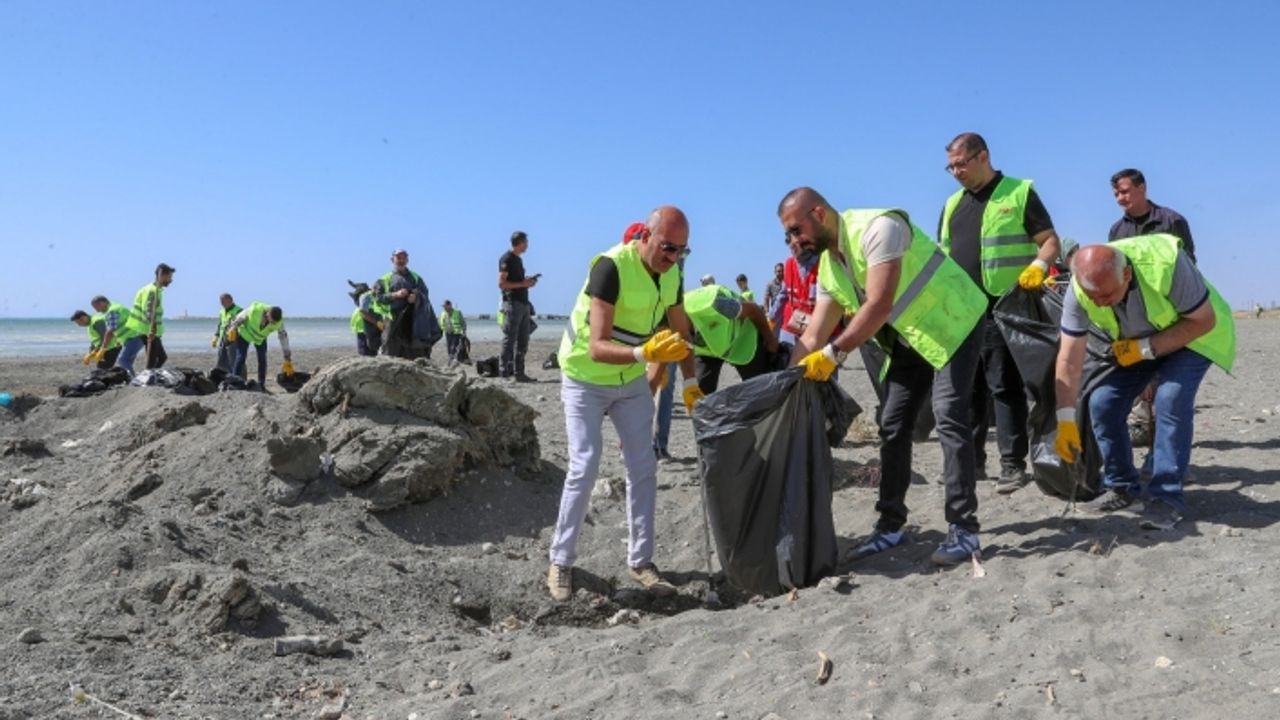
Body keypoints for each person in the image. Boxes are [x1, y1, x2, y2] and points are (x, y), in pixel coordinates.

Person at [780, 188, 988, 566]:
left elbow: (879, 303)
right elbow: (812, 335)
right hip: (913, 339)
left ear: (819, 213)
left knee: (949, 416)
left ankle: (964, 529)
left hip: (954, 321)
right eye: (788, 235)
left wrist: (834, 352)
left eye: (797, 229)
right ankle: (890, 525)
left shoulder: (879, 228)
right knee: (892, 423)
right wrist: (786, 383)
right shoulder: (830, 265)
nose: (795, 240)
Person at [547, 206, 702, 601]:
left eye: (682, 251)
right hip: (585, 375)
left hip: (629, 379)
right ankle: (561, 561)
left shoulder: (672, 274)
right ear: (645, 237)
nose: (673, 258)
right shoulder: (610, 267)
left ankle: (641, 562)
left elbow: (680, 330)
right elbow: (598, 346)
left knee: (644, 464)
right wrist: (644, 353)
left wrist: (691, 383)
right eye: (668, 247)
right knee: (585, 463)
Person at [1054, 236, 1235, 530]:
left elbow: (1203, 320)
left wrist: (1145, 349)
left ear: (1126, 275)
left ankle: (1167, 497)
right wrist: (1064, 419)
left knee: (1170, 398)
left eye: (1107, 295)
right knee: (1102, 402)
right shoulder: (1080, 289)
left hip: (1194, 336)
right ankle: (1121, 486)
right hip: (1137, 342)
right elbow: (1068, 360)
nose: (1099, 302)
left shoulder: (1166, 263)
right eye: (1094, 297)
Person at [939, 132, 1062, 494]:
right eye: (951, 167)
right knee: (968, 386)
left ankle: (1012, 465)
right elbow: (944, 256)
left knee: (1002, 385)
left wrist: (1040, 265)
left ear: (983, 157)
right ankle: (973, 463)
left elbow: (1050, 241)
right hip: (964, 307)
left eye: (961, 163)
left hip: (1003, 305)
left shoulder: (1018, 192)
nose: (956, 172)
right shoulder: (951, 205)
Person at [685, 282, 780, 394]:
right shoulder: (671, 326)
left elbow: (754, 310)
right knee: (698, 394)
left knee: (760, 390)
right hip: (708, 351)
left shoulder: (715, 305)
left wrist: (770, 339)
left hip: (744, 339)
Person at [1108, 169, 1195, 262]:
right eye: (1116, 195)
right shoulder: (1116, 230)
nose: (1119, 199)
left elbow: (1188, 265)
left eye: (1124, 192)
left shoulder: (1172, 221)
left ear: (1142, 188)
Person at [375, 249, 437, 359]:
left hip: (414, 322)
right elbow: (378, 298)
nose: (401, 260)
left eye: (404, 258)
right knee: (391, 354)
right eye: (398, 258)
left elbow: (425, 295)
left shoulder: (416, 277)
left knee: (416, 354)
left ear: (407, 260)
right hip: (392, 322)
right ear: (392, 259)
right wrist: (395, 295)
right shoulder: (384, 279)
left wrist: (416, 297)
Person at [116, 263, 175, 375]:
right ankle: (147, 379)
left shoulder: (155, 290)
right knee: (153, 359)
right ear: (162, 276)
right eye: (169, 277)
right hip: (147, 330)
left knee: (162, 357)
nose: (171, 280)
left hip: (150, 330)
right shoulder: (152, 291)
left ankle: (150, 376)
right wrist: (152, 330)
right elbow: (148, 312)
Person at [226, 302, 295, 389]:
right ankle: (234, 382)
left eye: (274, 323)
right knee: (240, 358)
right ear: (268, 313)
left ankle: (261, 384)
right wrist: (233, 328)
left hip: (260, 339)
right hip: (245, 334)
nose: (272, 324)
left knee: (262, 360)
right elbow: (241, 317)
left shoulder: (279, 322)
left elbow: (283, 338)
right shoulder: (256, 309)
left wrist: (287, 357)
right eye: (271, 321)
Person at [499, 231, 537, 381]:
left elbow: (518, 282)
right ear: (520, 243)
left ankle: (519, 373)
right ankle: (504, 372)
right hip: (513, 303)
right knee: (510, 338)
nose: (527, 245)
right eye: (526, 242)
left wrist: (527, 282)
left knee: (523, 339)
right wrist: (522, 284)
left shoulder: (518, 260)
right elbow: (501, 284)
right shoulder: (506, 258)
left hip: (523, 303)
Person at [348, 281, 388, 357]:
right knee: (365, 351)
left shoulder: (376, 296)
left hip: (369, 327)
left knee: (372, 350)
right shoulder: (367, 296)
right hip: (363, 326)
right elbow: (363, 313)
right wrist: (377, 323)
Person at [212, 293, 242, 373]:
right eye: (221, 302)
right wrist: (216, 336)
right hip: (223, 339)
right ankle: (222, 378)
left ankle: (237, 377)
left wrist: (236, 333)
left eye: (223, 301)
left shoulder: (238, 310)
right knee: (221, 360)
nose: (221, 303)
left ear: (230, 300)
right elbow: (220, 325)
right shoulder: (222, 311)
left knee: (233, 361)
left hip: (234, 340)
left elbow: (243, 326)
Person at [438, 299, 468, 364]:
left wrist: (464, 331)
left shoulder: (457, 312)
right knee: (449, 346)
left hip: (456, 332)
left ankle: (454, 359)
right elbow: (440, 323)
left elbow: (463, 322)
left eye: (445, 306)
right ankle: (451, 358)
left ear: (450, 305)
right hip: (448, 333)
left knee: (454, 346)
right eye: (443, 306)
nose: (444, 308)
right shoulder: (443, 313)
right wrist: (444, 329)